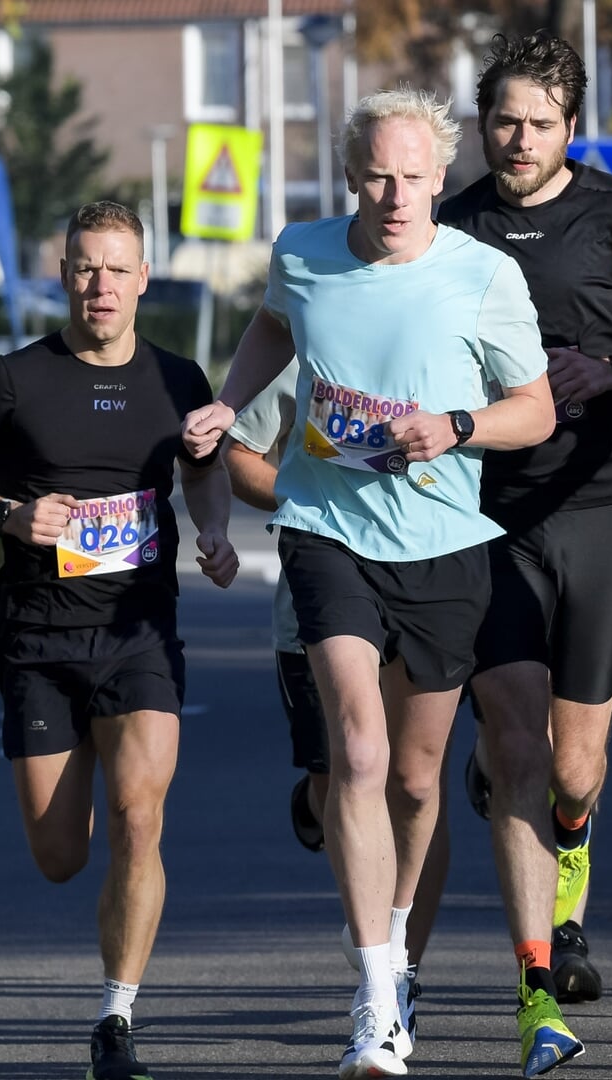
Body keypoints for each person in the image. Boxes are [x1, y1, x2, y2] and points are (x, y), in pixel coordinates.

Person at [179, 89, 560, 1080]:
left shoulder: (483, 275)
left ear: (442, 179)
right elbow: (273, 324)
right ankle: (378, 992)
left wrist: (459, 428)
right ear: (354, 176)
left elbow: (536, 410)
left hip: (441, 543)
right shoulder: (303, 250)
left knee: (419, 777)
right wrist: (227, 404)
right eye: (378, 176)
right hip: (325, 530)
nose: (395, 196)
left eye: (413, 178)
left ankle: (397, 952)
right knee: (357, 747)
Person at [0, 200, 239, 1080]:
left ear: (145, 279)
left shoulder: (180, 379)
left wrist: (214, 533)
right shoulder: (15, 379)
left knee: (141, 823)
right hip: (38, 639)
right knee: (64, 857)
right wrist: (8, 513)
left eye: (117, 268)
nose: (101, 285)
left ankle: (117, 1016)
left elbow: (206, 469)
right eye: (85, 268)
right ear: (65, 277)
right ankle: (78, 791)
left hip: (138, 634)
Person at [435, 31, 612, 1027]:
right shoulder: (449, 226)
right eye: (504, 121)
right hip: (485, 507)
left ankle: (569, 839)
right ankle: (540, 962)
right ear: (483, 123)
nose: (520, 139)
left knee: (575, 767)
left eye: (539, 123)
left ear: (573, 130)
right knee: (517, 738)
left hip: (603, 497)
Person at [221, 360, 455, 1042]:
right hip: (318, 600)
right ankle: (317, 804)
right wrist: (309, 493)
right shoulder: (305, 349)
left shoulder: (441, 337)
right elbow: (241, 456)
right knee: (345, 777)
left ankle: (396, 970)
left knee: (413, 784)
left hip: (423, 585)